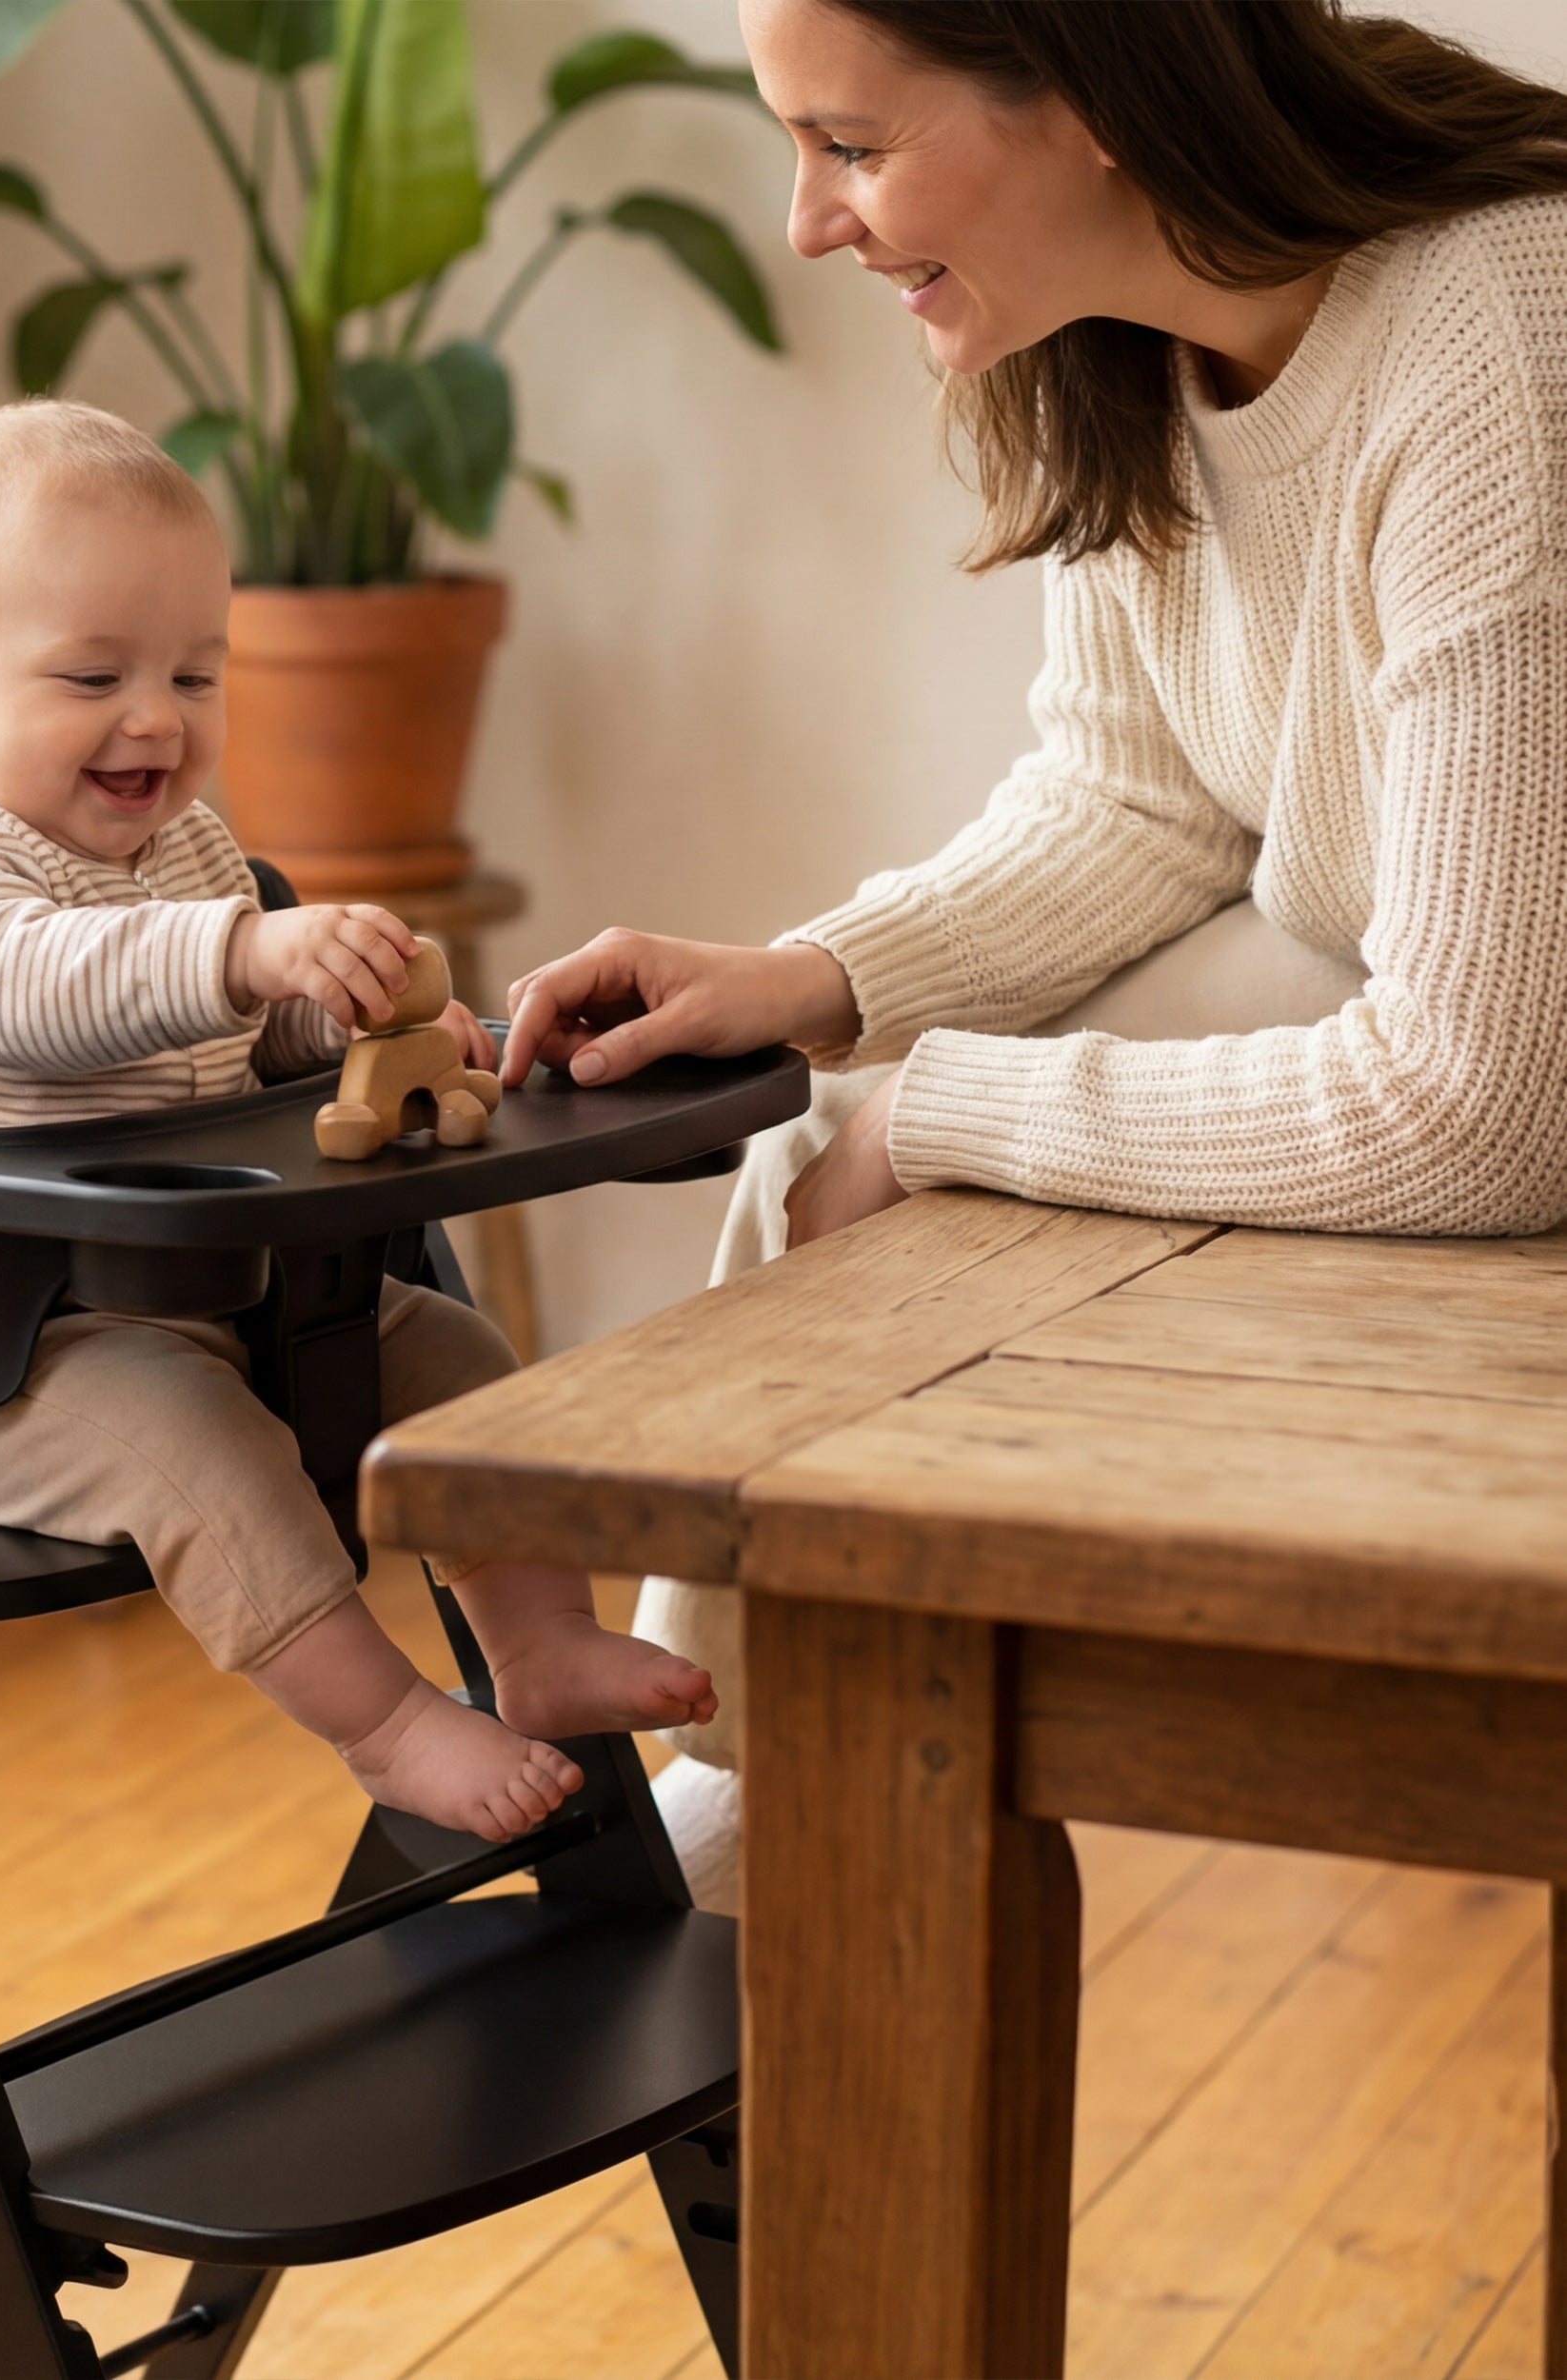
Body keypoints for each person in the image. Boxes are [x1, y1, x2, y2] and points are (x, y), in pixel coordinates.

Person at [497, 0, 1567, 1907]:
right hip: (1432, 1018)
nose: (808, 220)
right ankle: (745, 1809)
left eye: (847, 140)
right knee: (804, 1137)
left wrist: (947, 1106)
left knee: (900, 1147)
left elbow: (1481, 1109)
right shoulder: (1122, 343)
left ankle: (766, 1862)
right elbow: (1141, 804)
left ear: (1089, 94)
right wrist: (809, 980)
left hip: (1503, 1084)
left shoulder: (1499, 337)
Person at [0, 401, 715, 1845]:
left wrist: (359, 1010)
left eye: (195, 670)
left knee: (463, 1359)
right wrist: (241, 952)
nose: (157, 718)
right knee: (203, 1454)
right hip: (11, 1361)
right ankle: (384, 1723)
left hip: (239, 1305)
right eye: (94, 674)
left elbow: (242, 1037)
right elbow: (32, 994)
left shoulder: (186, 846)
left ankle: (537, 1642)